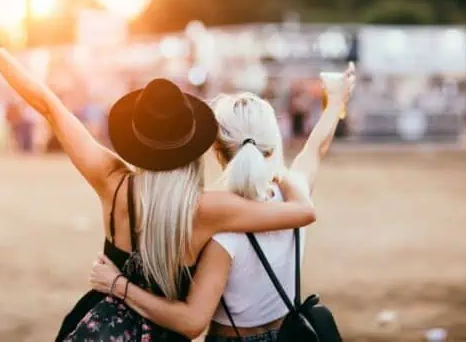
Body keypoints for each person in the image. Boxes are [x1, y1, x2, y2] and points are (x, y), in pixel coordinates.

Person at [0, 36, 317, 341]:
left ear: (136, 140)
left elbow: (50, 107)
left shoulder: (112, 182)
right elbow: (303, 212)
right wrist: (279, 168)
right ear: (194, 146)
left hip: (98, 327)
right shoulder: (208, 209)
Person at [88, 65, 355, 341]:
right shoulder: (292, 194)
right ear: (272, 143)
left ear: (216, 150)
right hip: (290, 334)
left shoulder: (220, 227)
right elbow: (316, 148)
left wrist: (118, 285)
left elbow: (192, 320)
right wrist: (336, 100)